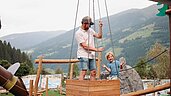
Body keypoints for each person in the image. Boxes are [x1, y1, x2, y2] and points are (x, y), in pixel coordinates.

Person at [75, 16, 104, 80]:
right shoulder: (78, 33)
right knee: (84, 72)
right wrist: (97, 49)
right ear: (84, 23)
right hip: (83, 54)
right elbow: (84, 46)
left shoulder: (90, 30)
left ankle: (92, 88)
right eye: (89, 24)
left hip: (91, 54)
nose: (90, 26)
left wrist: (100, 27)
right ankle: (81, 88)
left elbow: (99, 36)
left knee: (93, 72)